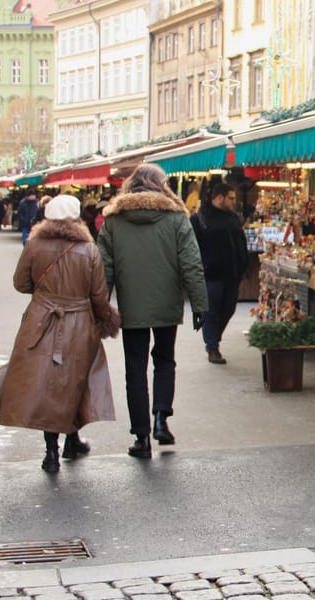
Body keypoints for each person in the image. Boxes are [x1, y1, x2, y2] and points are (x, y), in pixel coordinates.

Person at [0, 195, 120, 473]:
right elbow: (98, 294)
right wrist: (105, 319)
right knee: (75, 379)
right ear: (76, 217)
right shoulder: (89, 249)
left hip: (39, 321)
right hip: (79, 322)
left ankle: (53, 451)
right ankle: (71, 440)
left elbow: (20, 283)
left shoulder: (34, 244)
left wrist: (46, 294)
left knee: (46, 383)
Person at [98, 164, 208, 459]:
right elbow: (191, 264)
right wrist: (200, 303)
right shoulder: (176, 218)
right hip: (166, 303)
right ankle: (161, 417)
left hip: (131, 305)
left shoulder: (113, 221)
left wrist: (101, 308)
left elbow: (103, 270)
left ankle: (142, 436)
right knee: (164, 360)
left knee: (134, 368)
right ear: (162, 186)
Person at [191, 182, 249, 364]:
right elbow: (191, 247)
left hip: (232, 274)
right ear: (219, 197)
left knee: (229, 309)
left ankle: (213, 339)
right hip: (211, 275)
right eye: (231, 198)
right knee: (211, 312)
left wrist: (243, 265)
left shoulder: (232, 218)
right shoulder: (199, 219)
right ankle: (212, 347)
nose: (234, 202)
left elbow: (241, 242)